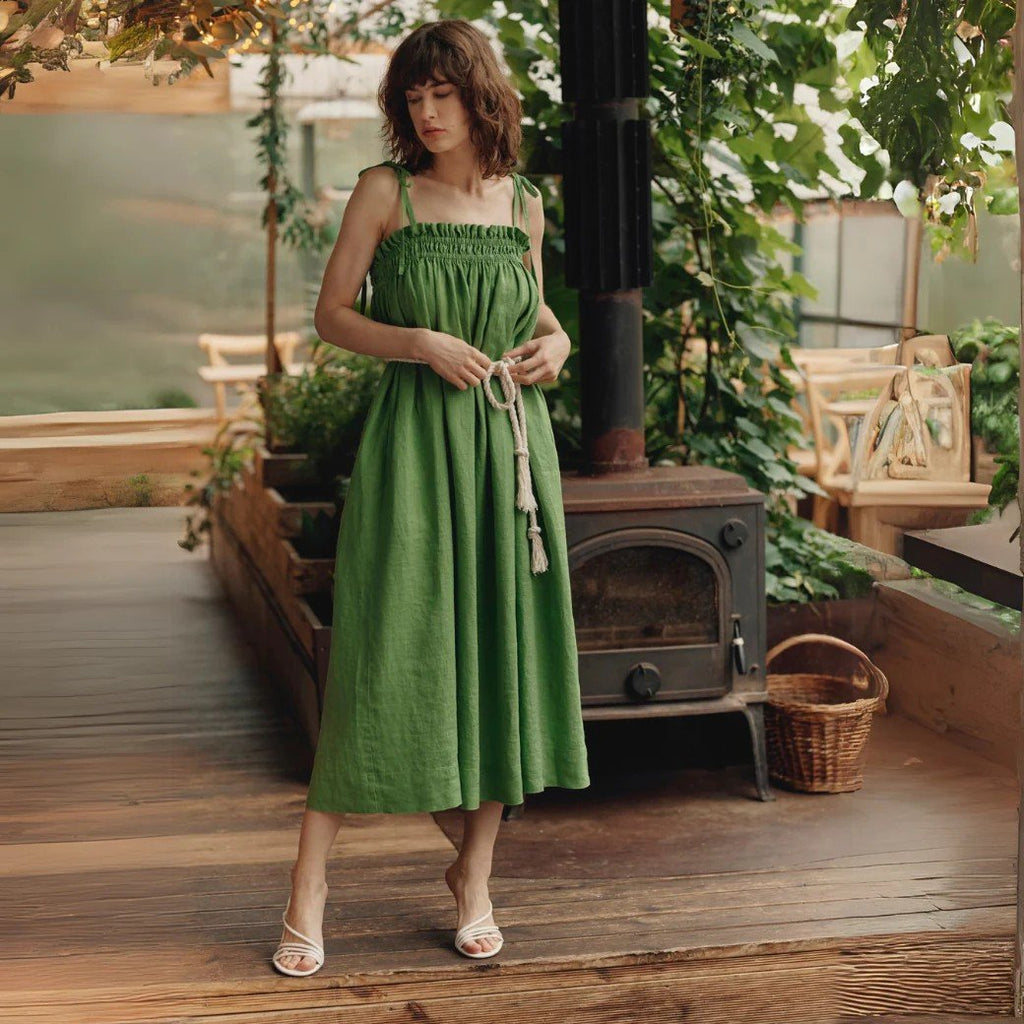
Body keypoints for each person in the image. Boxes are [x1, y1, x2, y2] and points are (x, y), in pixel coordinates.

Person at [272, 18, 591, 975]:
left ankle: (475, 875)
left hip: (507, 449)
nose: (425, 111)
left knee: (500, 648)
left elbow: (531, 311)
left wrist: (561, 343)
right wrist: (416, 341)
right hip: (415, 447)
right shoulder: (386, 193)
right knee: (383, 650)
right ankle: (309, 884)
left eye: (440, 94)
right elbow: (332, 316)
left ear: (478, 94)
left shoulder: (523, 204)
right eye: (412, 98)